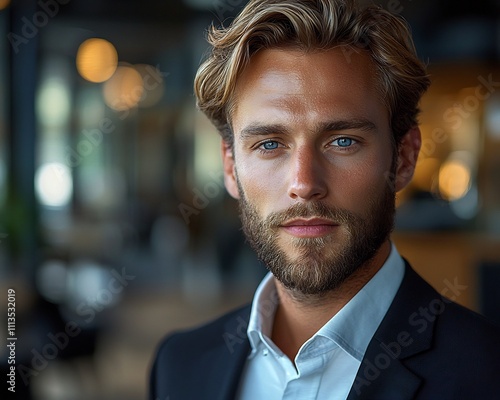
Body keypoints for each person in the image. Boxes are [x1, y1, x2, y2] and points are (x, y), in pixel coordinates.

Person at [149, 0, 500, 399]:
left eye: (343, 141)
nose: (303, 183)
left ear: (403, 157)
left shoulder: (487, 375)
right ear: (230, 167)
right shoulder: (179, 366)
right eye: (269, 144)